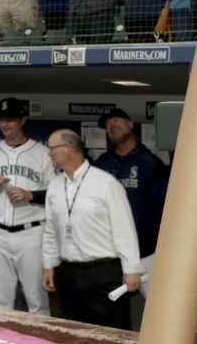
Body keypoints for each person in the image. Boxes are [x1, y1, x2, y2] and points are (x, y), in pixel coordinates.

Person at [42, 129, 144, 330]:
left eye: (52, 148)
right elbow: (51, 230)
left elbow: (124, 230)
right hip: (69, 274)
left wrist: (132, 270)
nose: (49, 153)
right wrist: (48, 264)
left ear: (69, 149)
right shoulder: (54, 186)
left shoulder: (105, 184)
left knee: (111, 333)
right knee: (74, 333)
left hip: (104, 273)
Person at [0, 97, 52, 316]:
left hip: (32, 232)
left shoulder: (42, 154)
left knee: (37, 300)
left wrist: (30, 195)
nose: (5, 124)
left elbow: (55, 196)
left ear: (23, 119)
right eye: (2, 119)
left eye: (11, 119)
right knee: (1, 301)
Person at [92, 107, 168, 298]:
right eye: (108, 125)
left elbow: (162, 207)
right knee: (110, 307)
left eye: (117, 120)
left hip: (146, 251)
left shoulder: (149, 162)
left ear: (130, 124)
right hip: (110, 254)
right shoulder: (102, 163)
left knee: (156, 304)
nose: (112, 125)